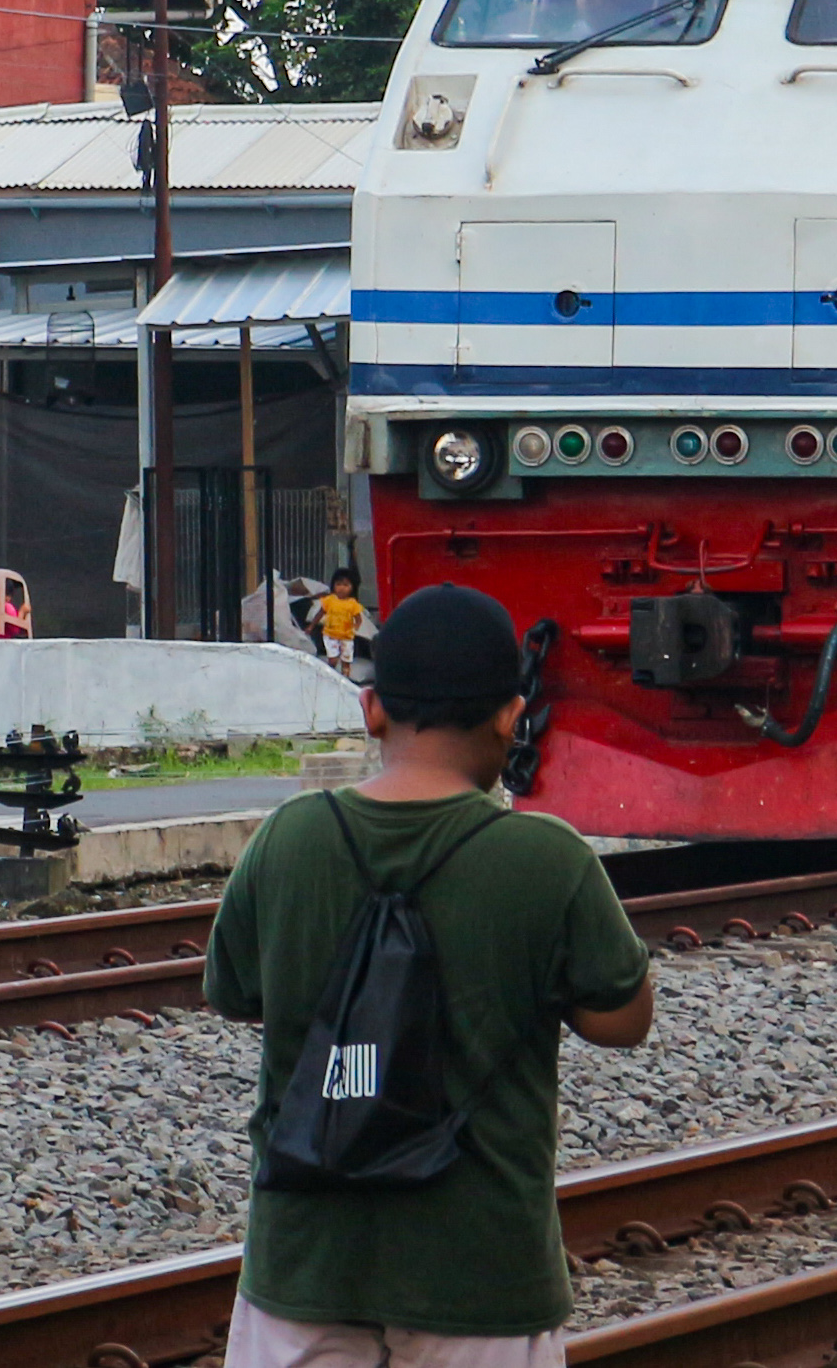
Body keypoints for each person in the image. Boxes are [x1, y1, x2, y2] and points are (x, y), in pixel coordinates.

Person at [204, 583, 654, 1368]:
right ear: (511, 716)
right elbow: (625, 1021)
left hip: (306, 1262)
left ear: (371, 709)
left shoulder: (289, 839)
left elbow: (236, 995)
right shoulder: (547, 858)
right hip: (481, 1273)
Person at [315, 570, 367, 679]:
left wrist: (356, 627)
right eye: (338, 584)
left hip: (346, 636)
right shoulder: (329, 600)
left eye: (346, 585)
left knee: (346, 661)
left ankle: (345, 679)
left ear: (352, 587)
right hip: (331, 634)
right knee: (333, 659)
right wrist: (311, 626)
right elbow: (320, 613)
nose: (341, 588)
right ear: (333, 585)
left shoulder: (353, 604)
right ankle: (329, 677)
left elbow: (358, 619)